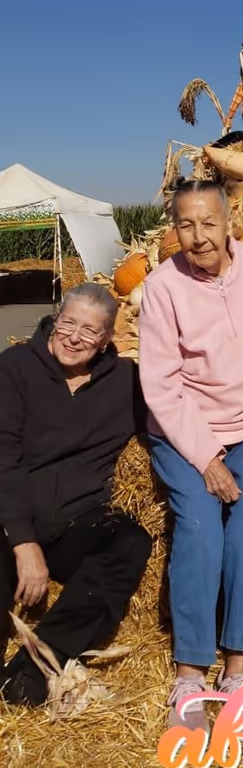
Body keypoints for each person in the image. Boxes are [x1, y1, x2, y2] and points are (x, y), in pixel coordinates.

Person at [138, 178, 243, 732]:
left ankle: (239, 672)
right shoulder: (161, 286)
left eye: (208, 223)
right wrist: (205, 457)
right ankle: (189, 675)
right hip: (186, 425)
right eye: (186, 224)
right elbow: (159, 384)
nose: (198, 236)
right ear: (173, 229)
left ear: (230, 223)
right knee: (200, 527)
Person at [0, 283, 151, 707]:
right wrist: (23, 542)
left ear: (106, 341)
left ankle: (37, 664)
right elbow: (3, 459)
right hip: (13, 519)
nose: (74, 337)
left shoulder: (126, 382)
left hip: (77, 521)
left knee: (130, 542)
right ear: (55, 318)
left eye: (89, 331)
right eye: (68, 323)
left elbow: (173, 419)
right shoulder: (14, 368)